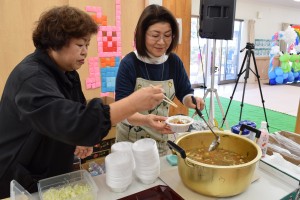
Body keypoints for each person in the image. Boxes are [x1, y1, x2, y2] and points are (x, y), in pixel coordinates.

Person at [0, 6, 164, 198]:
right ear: (55, 43)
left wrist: (80, 140)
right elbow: (76, 124)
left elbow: (78, 115)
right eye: (80, 45)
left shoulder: (68, 72)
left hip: (50, 173)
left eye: (87, 45)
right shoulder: (31, 78)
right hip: (20, 180)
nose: (86, 52)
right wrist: (133, 103)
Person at [115, 4, 205, 156]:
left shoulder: (173, 61)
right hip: (130, 144)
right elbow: (121, 110)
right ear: (142, 35)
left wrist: (192, 100)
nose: (162, 42)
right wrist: (145, 120)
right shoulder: (129, 63)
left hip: (160, 140)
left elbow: (184, 92)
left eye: (167, 35)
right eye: (155, 35)